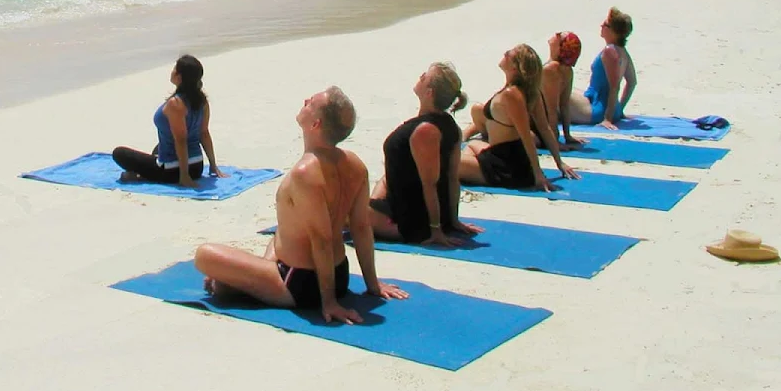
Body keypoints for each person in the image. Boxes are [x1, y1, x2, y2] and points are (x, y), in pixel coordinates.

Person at [194, 87, 408, 324]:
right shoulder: (355, 165)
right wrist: (373, 284)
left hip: (301, 282)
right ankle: (238, 283)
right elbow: (360, 227)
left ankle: (241, 284)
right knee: (278, 235)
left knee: (204, 255)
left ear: (315, 124)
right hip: (339, 275)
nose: (305, 100)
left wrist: (329, 303)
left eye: (311, 103)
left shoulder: (305, 173)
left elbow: (322, 239)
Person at [367, 63, 483, 246]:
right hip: (410, 208)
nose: (420, 75)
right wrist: (452, 220)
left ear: (429, 93)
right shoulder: (449, 125)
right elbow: (452, 178)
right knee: (382, 181)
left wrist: (436, 230)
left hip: (409, 223)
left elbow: (431, 184)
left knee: (340, 207)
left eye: (425, 77)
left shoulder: (426, 131)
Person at [459, 44, 580, 190]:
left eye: (508, 53)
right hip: (502, 155)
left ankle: (466, 172)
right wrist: (559, 163)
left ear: (515, 67)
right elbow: (545, 129)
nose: (505, 53)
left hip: (505, 166)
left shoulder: (512, 95)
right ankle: (467, 170)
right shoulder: (528, 92)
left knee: (445, 161)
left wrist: (538, 174)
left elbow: (526, 137)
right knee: (471, 145)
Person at [111, 55, 225, 187]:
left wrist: (184, 177)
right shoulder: (201, 100)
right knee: (158, 148)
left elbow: (180, 140)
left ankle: (141, 176)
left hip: (172, 171)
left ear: (179, 77)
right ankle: (147, 172)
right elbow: (204, 133)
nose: (172, 71)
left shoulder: (176, 104)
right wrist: (212, 165)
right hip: (197, 166)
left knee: (119, 153)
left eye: (175, 68)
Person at [569, 8, 637, 130]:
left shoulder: (609, 51)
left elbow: (614, 86)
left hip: (597, 109)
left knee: (556, 89)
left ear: (614, 31)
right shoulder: (623, 52)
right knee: (569, 88)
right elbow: (632, 82)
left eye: (605, 24)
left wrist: (607, 119)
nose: (601, 25)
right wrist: (619, 109)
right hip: (608, 106)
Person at [539, 31, 584, 148]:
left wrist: (554, 141)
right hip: (541, 126)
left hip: (537, 126)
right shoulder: (568, 70)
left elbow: (551, 109)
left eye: (561, 36)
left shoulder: (551, 69)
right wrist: (567, 135)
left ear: (560, 48)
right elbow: (564, 105)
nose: (557, 34)